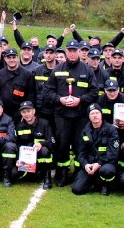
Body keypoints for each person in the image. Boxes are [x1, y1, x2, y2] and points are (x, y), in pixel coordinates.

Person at [43, 40, 99, 187]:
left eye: (75, 50)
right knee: (62, 145)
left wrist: (79, 100)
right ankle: (62, 171)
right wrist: (60, 99)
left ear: (79, 52)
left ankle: (79, 172)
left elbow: (94, 93)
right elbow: (48, 91)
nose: (72, 53)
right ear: (66, 52)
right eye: (70, 50)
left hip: (80, 116)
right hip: (61, 115)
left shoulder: (87, 70)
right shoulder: (57, 69)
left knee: (80, 145)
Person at [71, 104, 118, 195]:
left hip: (105, 163)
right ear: (89, 116)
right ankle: (93, 182)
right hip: (90, 164)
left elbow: (113, 153)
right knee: (77, 190)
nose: (95, 115)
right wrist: (85, 165)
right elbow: (81, 152)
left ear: (101, 114)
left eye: (97, 113)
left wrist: (99, 163)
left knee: (107, 170)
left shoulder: (111, 129)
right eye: (92, 113)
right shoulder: (85, 131)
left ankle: (105, 185)